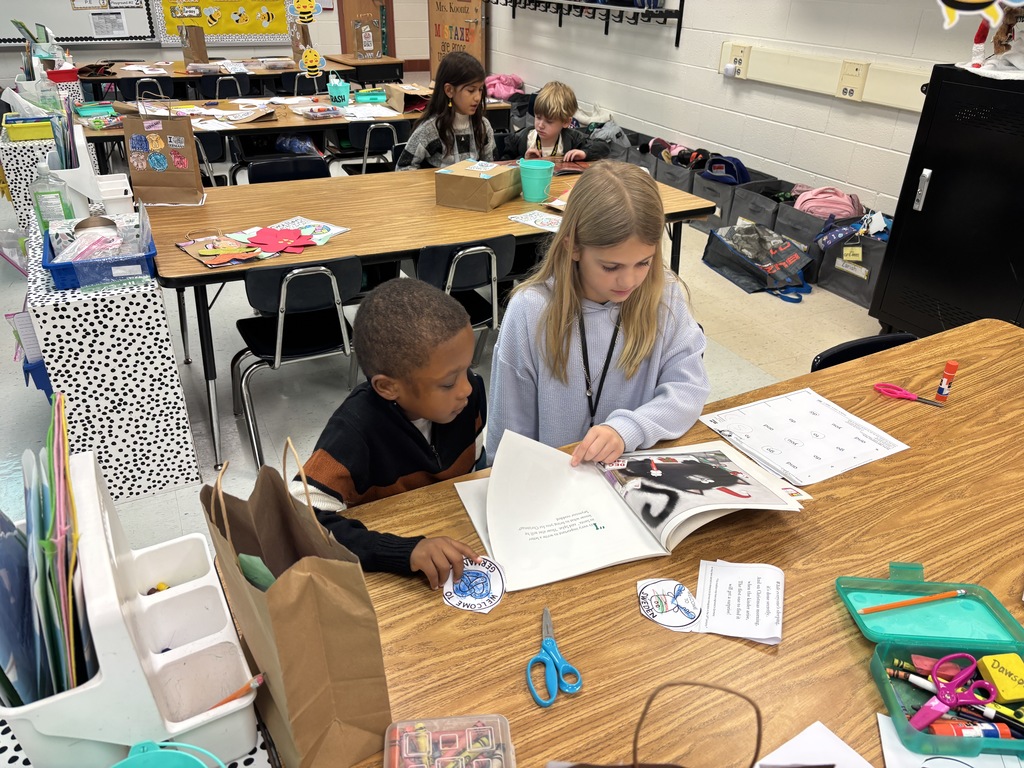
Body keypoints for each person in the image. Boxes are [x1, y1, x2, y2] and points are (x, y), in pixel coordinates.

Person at [486, 161, 710, 467]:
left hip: (637, 471)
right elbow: (509, 435)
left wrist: (628, 429)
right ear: (573, 247)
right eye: (611, 267)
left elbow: (688, 389)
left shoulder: (664, 296)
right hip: (555, 484)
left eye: (643, 262)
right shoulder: (530, 310)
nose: (629, 281)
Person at [291, 278, 486, 589]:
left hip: (454, 533)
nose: (466, 387)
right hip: (391, 570)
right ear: (388, 387)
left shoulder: (469, 395)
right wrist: (402, 552)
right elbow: (300, 520)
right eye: (448, 383)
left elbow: (473, 463)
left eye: (467, 368)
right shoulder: (355, 430)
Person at [396, 51, 495, 171]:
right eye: (471, 90)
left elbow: (492, 167)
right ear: (449, 90)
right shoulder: (430, 130)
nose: (478, 97)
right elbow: (403, 168)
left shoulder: (483, 126)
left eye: (480, 90)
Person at [500, 81, 609, 162]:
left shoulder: (572, 138)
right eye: (538, 117)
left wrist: (585, 153)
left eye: (549, 121)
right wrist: (523, 160)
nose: (541, 125)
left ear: (566, 122)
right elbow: (504, 163)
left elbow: (603, 147)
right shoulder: (520, 139)